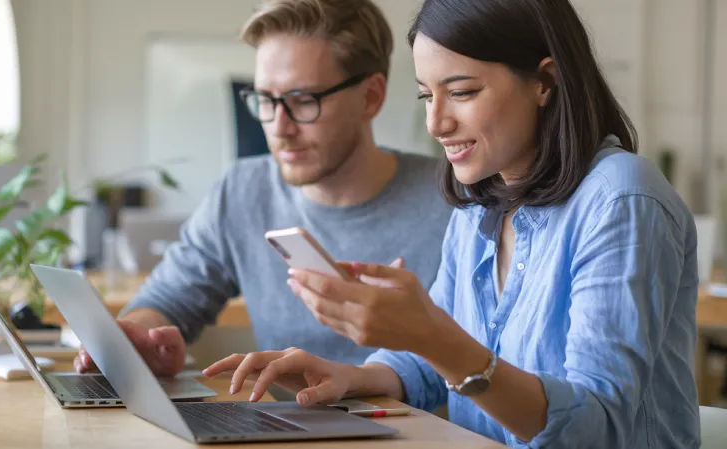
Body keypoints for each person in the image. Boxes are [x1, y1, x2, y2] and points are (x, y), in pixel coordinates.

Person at [203, 0, 701, 447]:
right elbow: (431, 367)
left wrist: (432, 336)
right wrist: (349, 377)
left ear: (545, 82)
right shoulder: (480, 204)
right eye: (426, 96)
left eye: (460, 92)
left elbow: (599, 429)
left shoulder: (621, 198)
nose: (435, 123)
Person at [73, 0, 453, 376]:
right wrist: (140, 339)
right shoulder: (242, 190)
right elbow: (168, 300)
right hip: (287, 432)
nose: (279, 128)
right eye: (265, 101)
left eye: (303, 101)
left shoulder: (455, 202)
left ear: (370, 97)